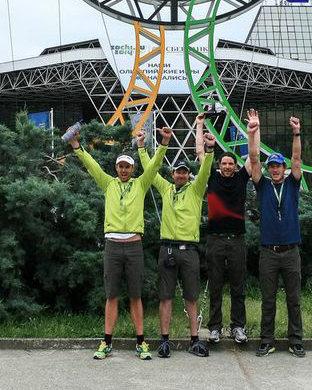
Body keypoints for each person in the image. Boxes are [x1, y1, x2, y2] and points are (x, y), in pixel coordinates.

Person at [67, 124, 171, 361]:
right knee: (111, 296)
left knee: (136, 295)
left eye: (128, 167)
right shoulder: (108, 184)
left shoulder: (141, 184)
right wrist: (76, 145)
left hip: (134, 245)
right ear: (116, 168)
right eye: (121, 166)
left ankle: (141, 343)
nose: (124, 170)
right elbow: (91, 166)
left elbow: (154, 166)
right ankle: (106, 342)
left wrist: (164, 143)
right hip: (112, 245)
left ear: (133, 169)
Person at [150, 116, 214, 358]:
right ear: (172, 173)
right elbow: (150, 168)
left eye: (185, 172)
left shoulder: (196, 190)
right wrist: (148, 146)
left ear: (188, 175)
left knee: (191, 296)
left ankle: (194, 339)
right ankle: (164, 340)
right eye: (178, 172)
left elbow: (206, 170)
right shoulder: (165, 188)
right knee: (165, 297)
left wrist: (208, 150)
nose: (181, 175)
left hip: (189, 250)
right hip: (166, 248)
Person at [248, 112, 306, 358]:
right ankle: (267, 340)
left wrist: (296, 133)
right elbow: (253, 157)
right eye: (271, 166)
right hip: (268, 252)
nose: (274, 169)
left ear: (283, 168)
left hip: (291, 251)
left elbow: (296, 158)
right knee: (268, 300)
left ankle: (296, 340)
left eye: (278, 166)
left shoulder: (293, 183)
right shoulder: (262, 185)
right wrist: (254, 132)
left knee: (294, 299)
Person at [205, 109, 258, 346]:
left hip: (237, 239)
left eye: (231, 163)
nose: (227, 166)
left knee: (238, 287)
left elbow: (254, 157)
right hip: (215, 239)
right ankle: (214, 328)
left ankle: (238, 327)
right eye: (224, 163)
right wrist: (200, 130)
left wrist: (252, 132)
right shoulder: (212, 178)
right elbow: (201, 154)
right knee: (215, 286)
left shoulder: (241, 178)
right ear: (219, 165)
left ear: (236, 166)